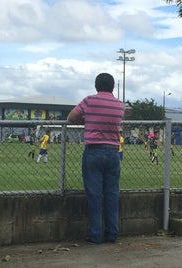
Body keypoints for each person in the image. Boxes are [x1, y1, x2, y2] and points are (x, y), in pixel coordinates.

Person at [67, 73, 124, 244]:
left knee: (94, 195)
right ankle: (112, 232)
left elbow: (71, 117)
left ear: (96, 85)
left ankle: (95, 234)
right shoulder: (120, 105)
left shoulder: (89, 101)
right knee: (112, 194)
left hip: (93, 151)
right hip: (113, 152)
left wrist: (86, 120)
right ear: (113, 87)